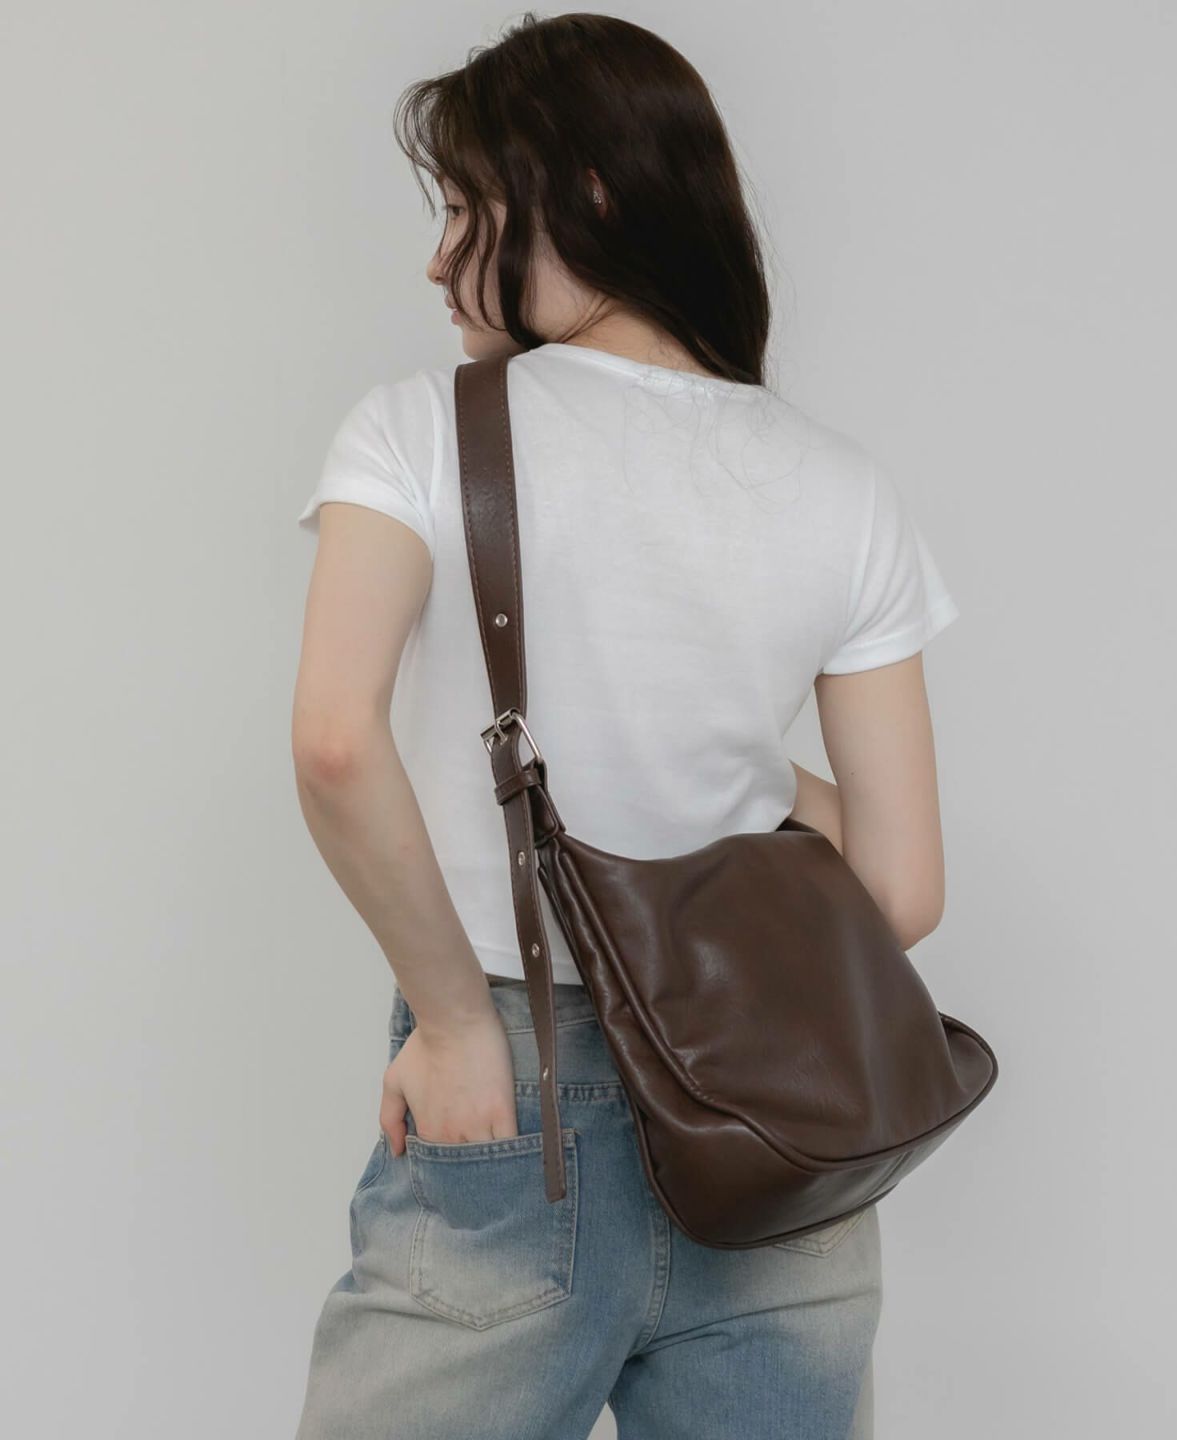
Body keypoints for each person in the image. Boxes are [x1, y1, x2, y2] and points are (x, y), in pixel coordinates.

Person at [290, 14, 959, 1440]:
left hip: (511, 1097)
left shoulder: (418, 432)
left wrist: (455, 1024)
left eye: (464, 207)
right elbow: (901, 891)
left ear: (585, 195)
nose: (436, 257)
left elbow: (337, 742)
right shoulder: (840, 486)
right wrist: (741, 753)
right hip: (784, 1139)